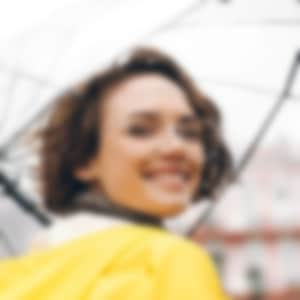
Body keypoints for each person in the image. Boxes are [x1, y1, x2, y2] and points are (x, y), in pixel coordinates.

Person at [0, 47, 232, 299]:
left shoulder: (14, 280)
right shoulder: (170, 261)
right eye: (141, 130)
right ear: (84, 158)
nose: (176, 147)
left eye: (190, 132)